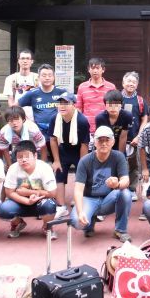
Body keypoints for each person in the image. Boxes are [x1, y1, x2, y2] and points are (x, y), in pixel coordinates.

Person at [70, 126, 132, 242]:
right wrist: (80, 211)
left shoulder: (118, 157)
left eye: (107, 140)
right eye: (100, 140)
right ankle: (89, 222)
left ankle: (120, 230)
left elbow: (126, 180)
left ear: (113, 142)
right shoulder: (85, 161)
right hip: (89, 199)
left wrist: (117, 184)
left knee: (126, 194)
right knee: (77, 222)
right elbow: (78, 190)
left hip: (108, 199)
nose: (104, 143)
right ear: (94, 142)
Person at [0, 140, 58, 239]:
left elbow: (52, 193)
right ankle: (18, 223)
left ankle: (47, 226)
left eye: (27, 156)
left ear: (35, 156)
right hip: (19, 202)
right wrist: (27, 201)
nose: (24, 160)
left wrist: (28, 192)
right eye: (20, 157)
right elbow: (9, 192)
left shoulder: (45, 168)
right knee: (3, 210)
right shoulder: (13, 168)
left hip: (41, 201)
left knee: (49, 205)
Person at [47, 92, 90, 220]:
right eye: (60, 103)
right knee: (59, 173)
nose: (62, 106)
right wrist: (56, 160)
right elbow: (53, 139)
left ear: (74, 105)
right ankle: (61, 206)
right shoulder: (54, 118)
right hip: (63, 149)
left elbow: (84, 144)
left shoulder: (82, 120)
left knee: (82, 175)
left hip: (78, 150)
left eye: (66, 103)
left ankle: (79, 202)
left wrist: (82, 163)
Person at [18, 64, 66, 147]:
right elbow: (16, 106)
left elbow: (72, 107)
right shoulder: (32, 93)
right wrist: (26, 120)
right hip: (39, 132)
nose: (47, 78)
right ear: (39, 77)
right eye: (44, 75)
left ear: (54, 77)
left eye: (50, 75)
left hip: (59, 131)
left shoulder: (61, 92)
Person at [121, 72, 148, 201]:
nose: (131, 84)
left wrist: (138, 136)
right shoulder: (117, 98)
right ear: (123, 83)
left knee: (134, 165)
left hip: (134, 138)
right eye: (128, 81)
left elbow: (144, 119)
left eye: (134, 82)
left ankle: (131, 189)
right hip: (119, 139)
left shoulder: (140, 100)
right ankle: (120, 188)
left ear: (137, 85)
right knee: (120, 163)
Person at [76, 57, 116, 135]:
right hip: (86, 129)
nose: (95, 71)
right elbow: (78, 108)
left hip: (106, 129)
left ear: (103, 69)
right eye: (92, 68)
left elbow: (115, 108)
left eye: (97, 68)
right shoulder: (82, 87)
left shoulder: (111, 87)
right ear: (89, 69)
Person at [2, 49, 39, 117]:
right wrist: (15, 115)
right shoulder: (10, 78)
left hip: (36, 115)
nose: (25, 61)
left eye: (28, 58)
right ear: (18, 61)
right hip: (18, 116)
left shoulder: (38, 78)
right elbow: (10, 101)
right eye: (22, 58)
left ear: (32, 61)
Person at [95, 90, 131, 154]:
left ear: (121, 105)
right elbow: (101, 138)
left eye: (116, 105)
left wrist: (120, 155)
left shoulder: (127, 116)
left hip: (119, 144)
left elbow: (123, 137)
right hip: (104, 144)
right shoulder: (100, 118)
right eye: (110, 105)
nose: (113, 108)